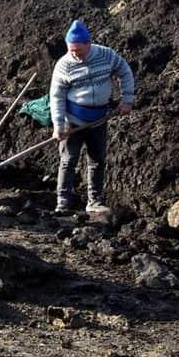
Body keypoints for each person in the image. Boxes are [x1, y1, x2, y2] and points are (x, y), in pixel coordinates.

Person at [49, 20, 135, 215]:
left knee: (97, 160)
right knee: (68, 160)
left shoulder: (106, 55)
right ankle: (62, 201)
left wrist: (127, 99)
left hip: (99, 119)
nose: (75, 55)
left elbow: (124, 71)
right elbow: (56, 96)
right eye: (72, 51)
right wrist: (59, 124)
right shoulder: (64, 65)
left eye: (78, 51)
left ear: (89, 44)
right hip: (73, 120)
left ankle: (94, 202)